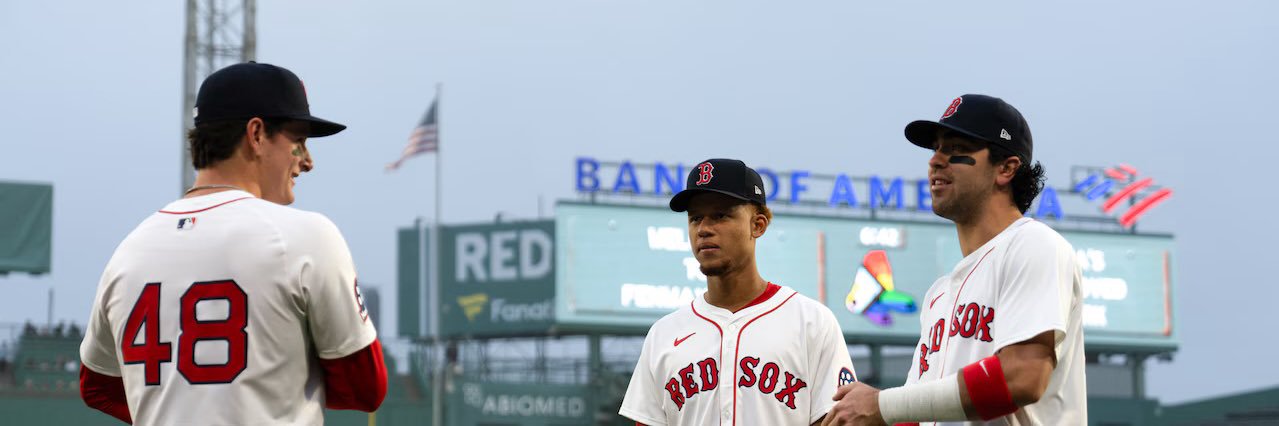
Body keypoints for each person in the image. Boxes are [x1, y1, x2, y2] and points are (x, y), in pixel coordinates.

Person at [78, 62, 386, 425]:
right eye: (298, 141)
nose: (307, 161)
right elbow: (366, 388)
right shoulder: (307, 236)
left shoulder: (129, 250)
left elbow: (97, 386)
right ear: (256, 134)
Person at [823, 94, 1086, 425]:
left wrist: (882, 404)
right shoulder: (939, 295)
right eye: (935, 148)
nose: (935, 160)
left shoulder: (1033, 244)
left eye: (957, 148)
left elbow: (1023, 376)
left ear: (1006, 168)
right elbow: (919, 412)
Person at [620, 158, 859, 426]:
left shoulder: (811, 322)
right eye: (695, 218)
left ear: (757, 225)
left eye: (721, 215)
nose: (704, 229)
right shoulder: (663, 334)